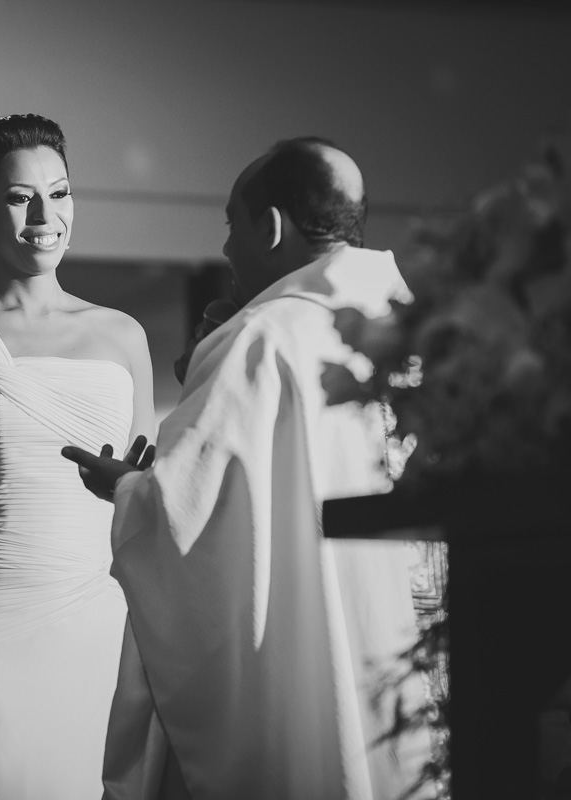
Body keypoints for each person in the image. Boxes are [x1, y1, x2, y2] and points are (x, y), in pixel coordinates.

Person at [63, 137, 431, 799]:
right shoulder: (411, 332)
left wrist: (129, 489)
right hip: (404, 637)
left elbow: (189, 515)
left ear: (271, 226)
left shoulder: (264, 336)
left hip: (294, 656)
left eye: (233, 223)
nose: (228, 248)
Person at [0, 114, 156, 800]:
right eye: (20, 198)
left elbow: (143, 499)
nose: (46, 216)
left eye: (60, 193)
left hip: (101, 618)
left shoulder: (123, 335)